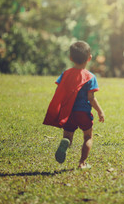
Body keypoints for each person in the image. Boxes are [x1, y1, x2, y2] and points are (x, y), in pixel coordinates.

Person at [43, 41, 105, 169]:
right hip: (83, 113)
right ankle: (82, 163)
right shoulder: (90, 77)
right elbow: (91, 98)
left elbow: (60, 91)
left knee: (68, 136)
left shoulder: (65, 74)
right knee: (88, 137)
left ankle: (65, 143)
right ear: (89, 58)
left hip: (69, 112)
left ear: (71, 58)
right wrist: (100, 111)